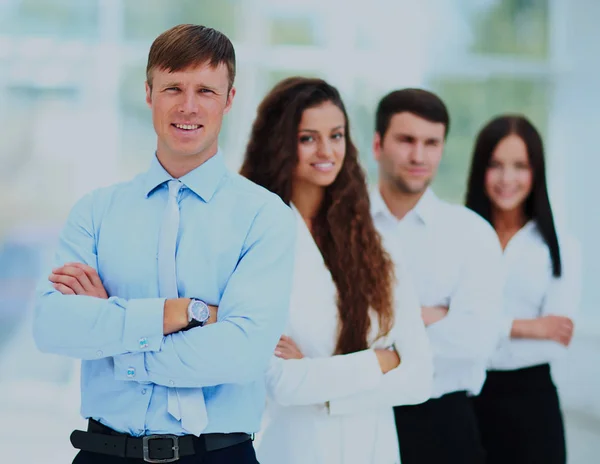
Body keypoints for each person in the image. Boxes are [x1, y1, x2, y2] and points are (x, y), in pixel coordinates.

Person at [33, 24, 296, 464]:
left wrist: (113, 337)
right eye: (173, 87)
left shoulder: (264, 217)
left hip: (217, 454)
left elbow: (243, 354)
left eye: (206, 91)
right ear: (149, 93)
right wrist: (180, 314)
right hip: (103, 452)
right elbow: (52, 326)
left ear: (230, 99)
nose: (188, 106)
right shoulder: (96, 212)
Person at [240, 77, 433, 464]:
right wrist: (381, 361)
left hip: (374, 448)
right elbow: (281, 382)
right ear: (280, 144)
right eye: (308, 138)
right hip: (296, 447)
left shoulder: (376, 245)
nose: (326, 150)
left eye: (337, 135)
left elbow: (420, 377)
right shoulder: (253, 241)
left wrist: (318, 377)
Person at [370, 88, 505, 464]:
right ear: (378, 144)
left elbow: (475, 340)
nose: (419, 155)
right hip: (358, 417)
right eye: (406, 140)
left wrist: (378, 338)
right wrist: (425, 317)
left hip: (442, 425)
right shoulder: (341, 226)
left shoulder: (471, 233)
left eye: (431, 143)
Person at [466, 115, 581, 464]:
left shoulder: (560, 246)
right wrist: (523, 326)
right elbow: (439, 324)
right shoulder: (460, 236)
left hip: (531, 404)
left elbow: (556, 336)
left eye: (520, 166)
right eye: (496, 165)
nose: (507, 179)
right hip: (465, 398)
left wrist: (477, 324)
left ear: (537, 172)